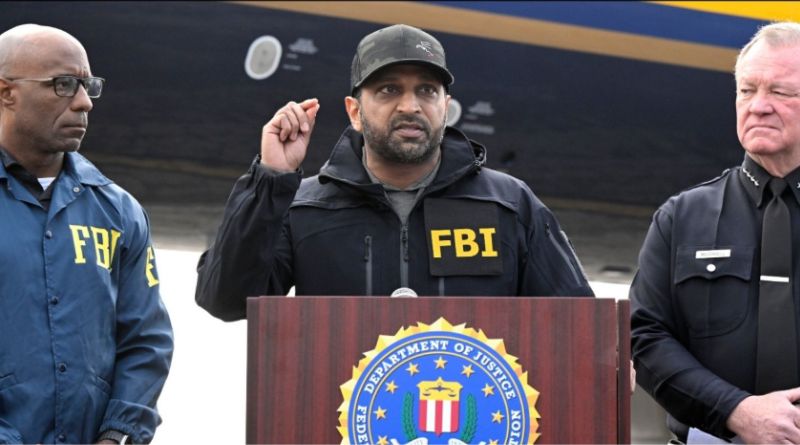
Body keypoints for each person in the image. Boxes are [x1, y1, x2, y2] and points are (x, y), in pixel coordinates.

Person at [195, 23, 593, 321]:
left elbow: (579, 325)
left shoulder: (509, 205)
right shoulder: (302, 209)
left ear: (445, 106)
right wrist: (271, 179)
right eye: (389, 90)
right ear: (354, 111)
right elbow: (225, 301)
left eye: (426, 90)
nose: (410, 106)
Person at [0, 24, 173, 444]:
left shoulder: (120, 213)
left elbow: (146, 342)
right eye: (63, 84)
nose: (84, 102)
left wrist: (116, 436)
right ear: (6, 92)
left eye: (87, 86)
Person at [631, 21, 800, 444]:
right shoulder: (681, 217)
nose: (758, 106)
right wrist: (736, 411)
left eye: (780, 92)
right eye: (747, 90)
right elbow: (644, 337)